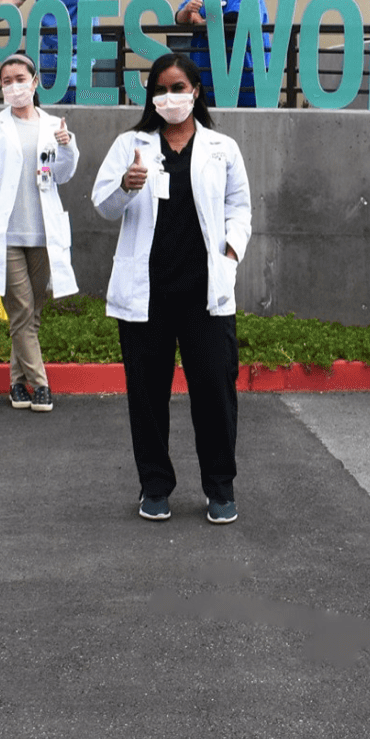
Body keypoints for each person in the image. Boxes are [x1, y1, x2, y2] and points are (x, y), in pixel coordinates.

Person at [91, 53, 252, 526]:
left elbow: (240, 206)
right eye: (161, 89)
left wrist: (230, 251)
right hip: (147, 294)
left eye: (179, 87)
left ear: (196, 91)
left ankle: (220, 489)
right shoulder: (131, 144)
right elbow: (102, 203)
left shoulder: (222, 146)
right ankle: (155, 486)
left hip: (206, 294)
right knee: (146, 395)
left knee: (215, 395)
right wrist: (126, 184)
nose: (170, 97)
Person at [0, 53, 79, 414]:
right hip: (7, 235)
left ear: (35, 82)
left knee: (30, 316)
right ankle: (40, 386)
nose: (13, 86)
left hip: (44, 233)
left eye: (20, 78)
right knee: (23, 308)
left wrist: (67, 146)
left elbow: (62, 174)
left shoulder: (52, 124)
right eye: (6, 80)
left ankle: (17, 383)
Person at [175, 0, 274, 107]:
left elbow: (236, 21)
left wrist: (200, 21)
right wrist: (188, 9)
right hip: (206, 76)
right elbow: (179, 18)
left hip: (245, 77)